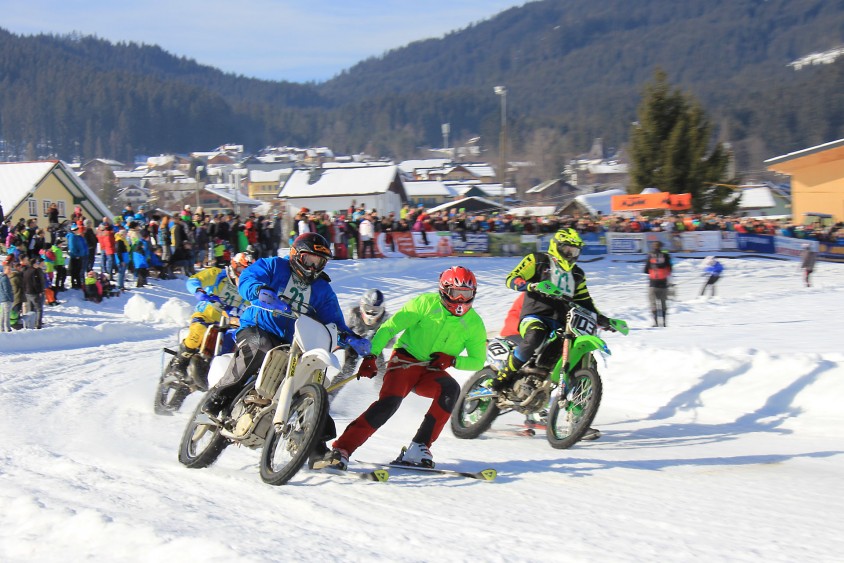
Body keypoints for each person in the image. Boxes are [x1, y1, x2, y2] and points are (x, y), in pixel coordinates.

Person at [200, 233, 369, 454]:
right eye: (310, 259)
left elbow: (334, 322)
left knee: (313, 377)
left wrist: (350, 338)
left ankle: (314, 444)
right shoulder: (273, 266)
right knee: (261, 346)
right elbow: (248, 278)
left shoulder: (322, 290)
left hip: (295, 342)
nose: (313, 267)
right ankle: (219, 397)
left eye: (319, 262)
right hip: (258, 327)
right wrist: (260, 291)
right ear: (296, 255)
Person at [316, 266, 487, 471]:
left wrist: (452, 361)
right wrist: (371, 356)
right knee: (390, 403)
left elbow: (478, 360)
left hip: (431, 370)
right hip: (405, 361)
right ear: (443, 290)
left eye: (466, 294)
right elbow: (389, 327)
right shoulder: (425, 303)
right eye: (455, 293)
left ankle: (419, 447)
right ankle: (341, 449)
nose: (460, 300)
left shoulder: (474, 323)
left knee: (451, 390)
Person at [492, 228, 614, 390]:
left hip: (562, 323)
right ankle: (504, 375)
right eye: (567, 250)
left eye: (574, 251)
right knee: (535, 335)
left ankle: (550, 388)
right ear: (556, 246)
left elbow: (585, 302)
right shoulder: (538, 260)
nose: (570, 255)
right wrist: (532, 285)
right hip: (535, 316)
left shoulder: (577, 274)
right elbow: (511, 279)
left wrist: (605, 320)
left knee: (568, 351)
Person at [163, 252, 255, 389]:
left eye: (247, 272)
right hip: (206, 315)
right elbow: (194, 280)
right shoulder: (217, 274)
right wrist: (199, 291)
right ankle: (179, 362)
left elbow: (251, 306)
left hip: (228, 323)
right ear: (234, 266)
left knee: (235, 346)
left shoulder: (247, 289)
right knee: (198, 332)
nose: (243, 275)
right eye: (241, 270)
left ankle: (217, 375)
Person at [330, 288, 392, 395]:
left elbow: (390, 342)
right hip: (354, 343)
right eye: (368, 308)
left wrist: (382, 339)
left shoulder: (386, 319)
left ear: (382, 310)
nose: (371, 312)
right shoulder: (352, 313)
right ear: (362, 305)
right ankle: (329, 394)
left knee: (381, 370)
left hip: (374, 347)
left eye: (376, 310)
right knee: (348, 369)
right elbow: (340, 330)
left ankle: (381, 394)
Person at [644, 240, 672, 327]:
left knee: (653, 303)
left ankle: (655, 323)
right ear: (661, 247)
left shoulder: (650, 256)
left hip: (653, 284)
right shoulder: (666, 256)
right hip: (663, 284)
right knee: (663, 303)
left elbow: (645, 270)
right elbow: (670, 269)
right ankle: (663, 323)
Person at [0, 261, 13, 332]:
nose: (10, 271)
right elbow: (6, 290)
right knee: (6, 315)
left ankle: (2, 328)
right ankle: (8, 328)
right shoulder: (5, 278)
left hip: (3, 299)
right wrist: (11, 298)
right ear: (5, 269)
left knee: (3, 314)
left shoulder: (3, 277)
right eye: (8, 269)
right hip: (6, 299)